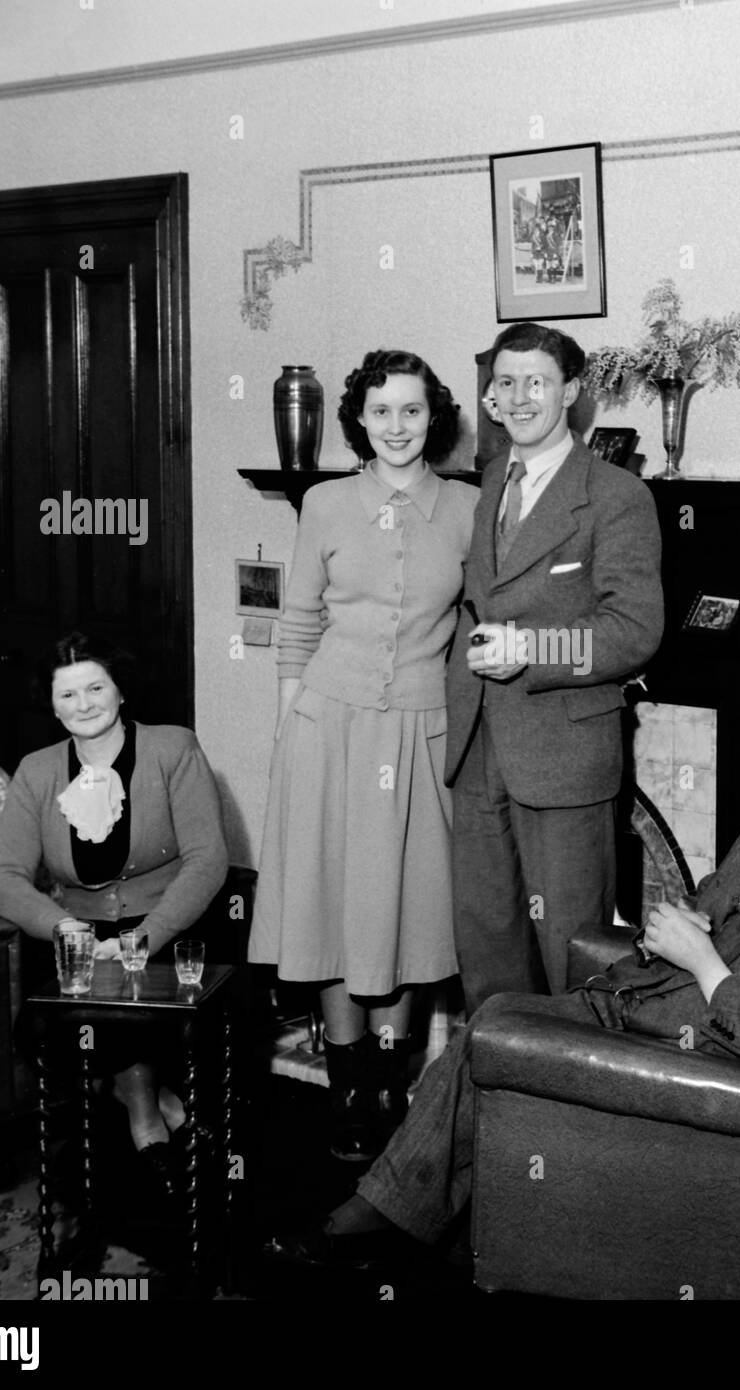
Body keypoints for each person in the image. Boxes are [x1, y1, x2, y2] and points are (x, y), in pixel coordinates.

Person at [282, 731, 740, 1260]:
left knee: (490, 1033)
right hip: (634, 995)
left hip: (683, 1050)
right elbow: (702, 906)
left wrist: (700, 956)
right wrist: (671, 927)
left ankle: (380, 1216)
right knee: (494, 1022)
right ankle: (414, 1211)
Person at [248, 349, 478, 1161]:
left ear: (433, 417)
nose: (397, 427)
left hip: (421, 730)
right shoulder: (325, 504)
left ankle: (391, 1076)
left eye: (411, 411)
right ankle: (347, 1086)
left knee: (412, 907)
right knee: (333, 908)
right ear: (359, 421)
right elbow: (298, 623)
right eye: (381, 412)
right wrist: (287, 737)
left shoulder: (468, 508)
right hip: (328, 729)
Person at [446, 321, 664, 1015]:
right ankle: (498, 1103)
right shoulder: (487, 481)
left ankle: (573, 1110)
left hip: (563, 756)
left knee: (573, 954)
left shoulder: (616, 495)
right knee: (487, 948)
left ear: (570, 392)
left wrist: (533, 649)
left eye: (535, 382)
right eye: (503, 383)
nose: (518, 397)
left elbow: (633, 632)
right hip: (477, 747)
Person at [0, 631, 228, 1191]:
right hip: (80, 937)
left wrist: (143, 936)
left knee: (130, 1011)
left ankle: (145, 1120)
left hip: (171, 926)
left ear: (120, 691)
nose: (84, 704)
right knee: (43, 1027)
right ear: (50, 703)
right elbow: (2, 877)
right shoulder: (37, 770)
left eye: (95, 687)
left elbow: (207, 861)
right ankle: (155, 1101)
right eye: (67, 695)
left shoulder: (174, 748)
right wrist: (63, 928)